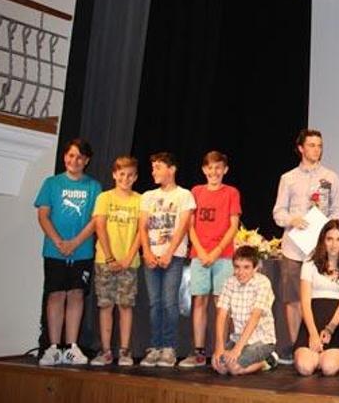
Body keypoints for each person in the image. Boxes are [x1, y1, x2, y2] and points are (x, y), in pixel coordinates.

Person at [272, 129, 339, 364]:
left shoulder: (331, 177)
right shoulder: (288, 178)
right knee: (293, 299)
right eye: (311, 145)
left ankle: (318, 343)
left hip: (321, 251)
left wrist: (327, 227)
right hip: (294, 248)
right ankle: (295, 346)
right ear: (301, 148)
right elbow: (278, 212)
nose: (316, 149)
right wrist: (293, 220)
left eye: (319, 145)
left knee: (319, 299)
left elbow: (336, 211)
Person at [36, 139, 102, 366]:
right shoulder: (51, 183)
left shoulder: (93, 186)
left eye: (80, 157)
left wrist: (75, 243)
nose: (74, 160)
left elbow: (96, 220)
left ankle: (72, 346)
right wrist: (58, 241)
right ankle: (53, 347)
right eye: (71, 155)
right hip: (54, 251)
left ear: (87, 161)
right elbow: (43, 215)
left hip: (81, 251)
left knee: (75, 294)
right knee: (55, 294)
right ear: (65, 157)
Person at [180, 151, 242, 368]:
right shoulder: (196, 192)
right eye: (210, 168)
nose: (214, 172)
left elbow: (233, 226)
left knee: (221, 304)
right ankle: (198, 351)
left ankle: (221, 349)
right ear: (204, 170)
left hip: (223, 257)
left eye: (218, 168)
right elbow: (190, 225)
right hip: (199, 256)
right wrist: (201, 251)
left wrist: (215, 252)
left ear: (225, 170)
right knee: (199, 301)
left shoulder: (231, 193)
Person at [138, 152, 196, 367]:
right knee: (155, 303)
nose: (154, 171)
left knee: (170, 302)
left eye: (158, 167)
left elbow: (183, 226)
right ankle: (154, 346)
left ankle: (169, 348)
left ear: (171, 169)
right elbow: (142, 226)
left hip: (174, 255)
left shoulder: (184, 195)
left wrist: (170, 252)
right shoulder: (147, 196)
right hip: (151, 256)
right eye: (153, 168)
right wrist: (147, 251)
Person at [89, 156, 141, 367]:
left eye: (130, 175)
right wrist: (110, 256)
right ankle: (106, 350)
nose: (125, 178)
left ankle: (125, 351)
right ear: (114, 174)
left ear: (135, 177)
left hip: (130, 262)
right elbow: (100, 227)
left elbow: (141, 231)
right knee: (106, 305)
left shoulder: (139, 199)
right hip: (105, 261)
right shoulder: (104, 197)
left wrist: (128, 256)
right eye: (121, 174)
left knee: (126, 305)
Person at [294, 220, 339, 376]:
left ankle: (323, 356)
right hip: (312, 322)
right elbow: (305, 302)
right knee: (304, 367)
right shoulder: (310, 263)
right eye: (329, 239)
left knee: (329, 368)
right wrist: (313, 334)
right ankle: (315, 355)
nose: (334, 244)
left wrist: (330, 329)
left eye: (338, 239)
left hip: (336, 324)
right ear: (323, 240)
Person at [212, 245, 278, 376]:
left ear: (255, 268)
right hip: (238, 338)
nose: (240, 272)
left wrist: (237, 350)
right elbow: (221, 315)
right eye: (237, 267)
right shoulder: (229, 282)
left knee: (234, 368)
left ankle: (268, 360)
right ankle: (240, 357)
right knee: (218, 365)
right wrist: (219, 347)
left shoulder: (263, 283)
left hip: (261, 340)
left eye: (246, 267)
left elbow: (255, 317)